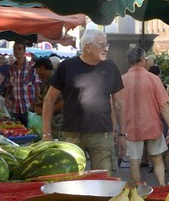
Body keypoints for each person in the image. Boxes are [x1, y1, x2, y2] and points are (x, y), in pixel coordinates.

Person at [41, 30, 125, 172]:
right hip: (71, 134)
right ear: (88, 47)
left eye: (107, 45)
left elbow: (119, 104)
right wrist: (46, 133)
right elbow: (49, 100)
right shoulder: (67, 67)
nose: (106, 49)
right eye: (102, 45)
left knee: (105, 181)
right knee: (72, 180)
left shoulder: (111, 68)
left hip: (102, 134)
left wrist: (122, 134)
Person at [121, 46, 169, 186]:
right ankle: (162, 185)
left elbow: (115, 107)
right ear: (143, 59)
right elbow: (163, 105)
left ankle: (138, 191)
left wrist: (116, 129)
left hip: (131, 127)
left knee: (134, 161)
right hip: (153, 125)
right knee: (157, 159)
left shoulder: (122, 80)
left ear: (129, 61)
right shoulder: (153, 79)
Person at [0, 40, 42, 124]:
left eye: (19, 49)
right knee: (17, 130)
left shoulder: (32, 66)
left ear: (24, 51)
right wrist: (7, 98)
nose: (17, 51)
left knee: (30, 132)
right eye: (15, 49)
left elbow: (36, 85)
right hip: (14, 107)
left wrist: (37, 101)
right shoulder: (11, 68)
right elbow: (10, 85)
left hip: (28, 107)